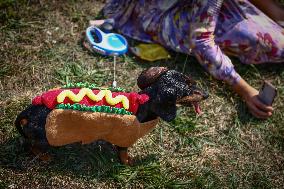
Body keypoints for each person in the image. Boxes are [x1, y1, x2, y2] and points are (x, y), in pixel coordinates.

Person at [97, 0, 284, 119]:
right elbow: (201, 41)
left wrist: (279, 17)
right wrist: (244, 90)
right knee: (270, 44)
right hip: (153, 12)